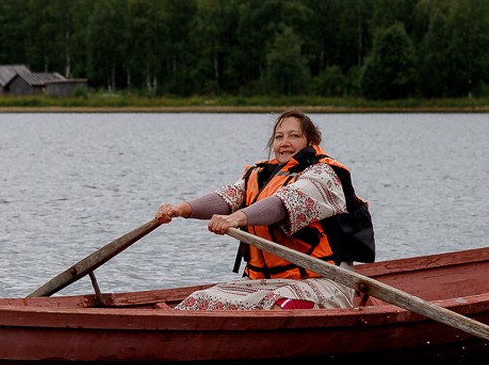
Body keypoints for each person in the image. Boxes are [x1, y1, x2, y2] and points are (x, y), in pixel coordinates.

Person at [154, 109, 370, 311]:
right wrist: (180, 209)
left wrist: (235, 219)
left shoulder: (323, 176)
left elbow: (281, 204)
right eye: (279, 137)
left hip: (324, 281)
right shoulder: (260, 175)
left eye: (294, 136)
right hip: (264, 282)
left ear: (310, 142)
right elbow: (226, 198)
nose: (285, 143)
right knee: (199, 302)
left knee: (278, 305)